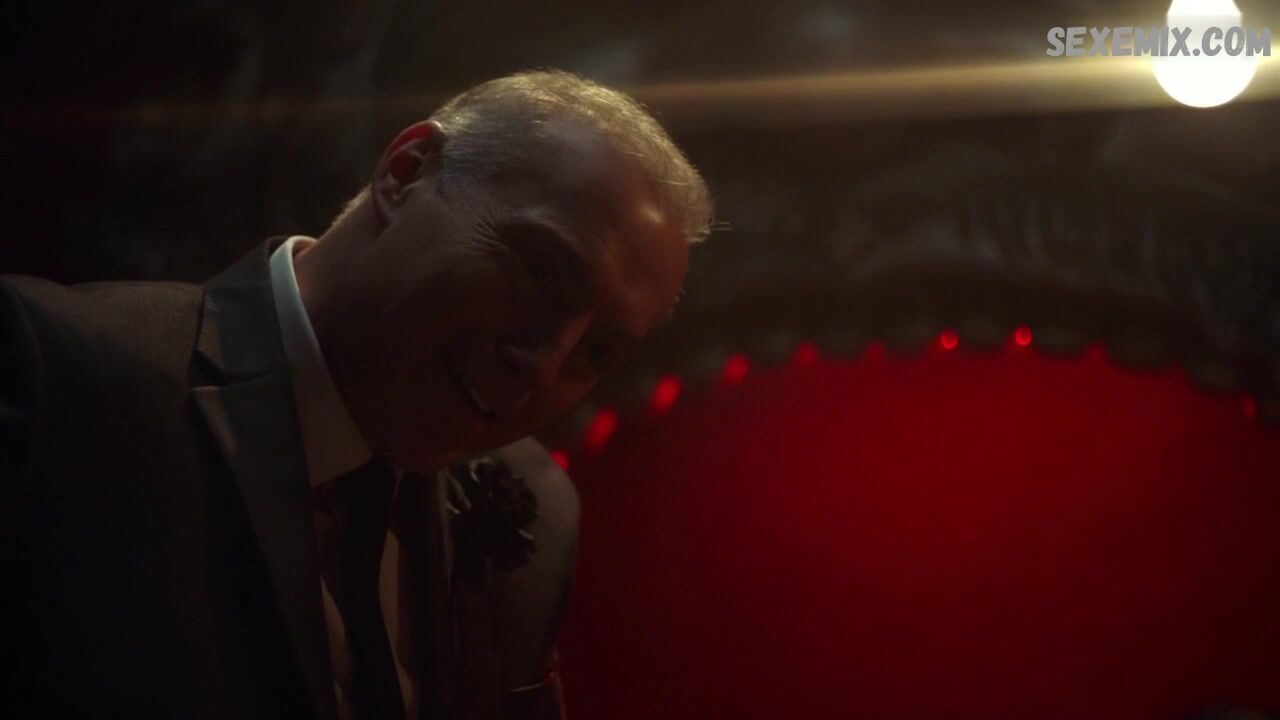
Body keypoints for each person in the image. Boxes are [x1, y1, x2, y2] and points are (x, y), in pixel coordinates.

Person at [0, 70, 712, 719]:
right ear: (406, 172)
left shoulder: (538, 506)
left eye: (597, 351)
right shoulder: (54, 374)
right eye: (541, 270)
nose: (542, 364)